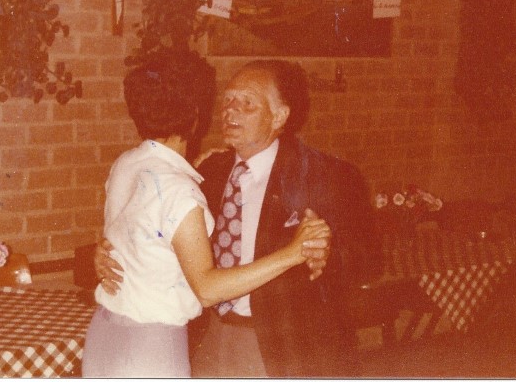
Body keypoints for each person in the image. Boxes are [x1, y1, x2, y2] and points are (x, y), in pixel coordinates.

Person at [95, 58, 380, 377]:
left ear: (279, 116)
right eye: (228, 100)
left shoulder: (325, 175)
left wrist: (327, 255)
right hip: (206, 334)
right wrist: (109, 251)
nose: (231, 111)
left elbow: (368, 261)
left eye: (247, 103)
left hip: (282, 345)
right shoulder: (206, 172)